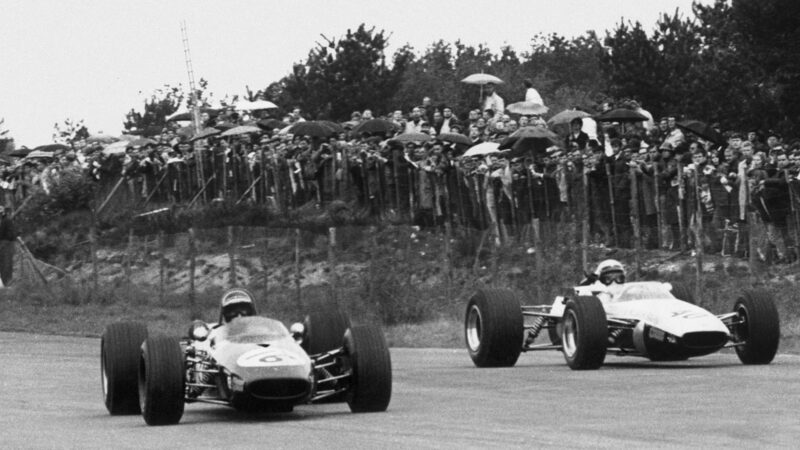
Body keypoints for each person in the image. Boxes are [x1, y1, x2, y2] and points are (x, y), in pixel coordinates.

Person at [0, 205, 15, 286]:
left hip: (6, 244)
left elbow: (9, 234)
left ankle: (8, 283)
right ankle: (5, 282)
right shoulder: (4, 220)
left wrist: (5, 242)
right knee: (4, 264)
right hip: (4, 244)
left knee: (6, 264)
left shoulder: (6, 221)